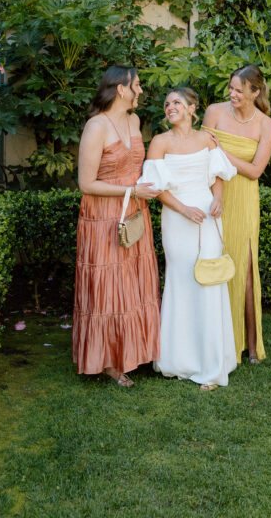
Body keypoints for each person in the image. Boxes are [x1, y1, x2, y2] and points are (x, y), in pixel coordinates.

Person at [138, 87, 237, 389]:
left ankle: (212, 363)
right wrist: (183, 209)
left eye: (177, 102)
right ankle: (179, 359)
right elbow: (155, 187)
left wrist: (216, 200)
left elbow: (217, 176)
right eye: (167, 104)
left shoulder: (207, 139)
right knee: (181, 280)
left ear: (193, 108)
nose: (171, 107)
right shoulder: (159, 142)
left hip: (207, 216)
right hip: (177, 218)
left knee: (208, 280)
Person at [72, 66, 162, 387]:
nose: (141, 91)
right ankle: (108, 362)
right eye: (137, 85)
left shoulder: (134, 121)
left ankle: (135, 351)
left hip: (134, 211)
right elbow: (86, 183)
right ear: (121, 90)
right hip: (104, 216)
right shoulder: (96, 127)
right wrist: (131, 191)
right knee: (109, 286)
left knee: (133, 284)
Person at [203, 65, 271, 365]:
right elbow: (204, 156)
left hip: (245, 199)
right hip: (214, 192)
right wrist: (217, 157)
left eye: (238, 90)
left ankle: (248, 346)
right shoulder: (214, 112)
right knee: (212, 260)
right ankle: (215, 341)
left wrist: (223, 153)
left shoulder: (267, 125)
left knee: (244, 270)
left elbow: (256, 170)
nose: (232, 94)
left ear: (254, 92)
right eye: (230, 88)